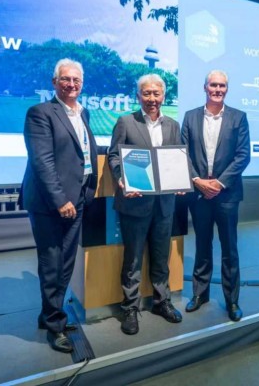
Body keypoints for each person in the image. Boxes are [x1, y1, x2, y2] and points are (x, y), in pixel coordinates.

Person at [19, 58, 98, 353]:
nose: (71, 84)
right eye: (65, 79)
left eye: (76, 79)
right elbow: (43, 162)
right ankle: (55, 326)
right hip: (51, 203)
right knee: (52, 263)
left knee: (65, 262)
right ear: (54, 82)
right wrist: (60, 200)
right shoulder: (40, 113)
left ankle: (50, 315)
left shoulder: (83, 113)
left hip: (77, 198)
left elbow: (81, 153)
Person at [107, 73, 183, 335]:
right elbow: (114, 156)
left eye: (156, 93)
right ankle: (130, 308)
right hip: (135, 203)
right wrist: (122, 179)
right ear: (138, 96)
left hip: (164, 204)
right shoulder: (126, 122)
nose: (152, 98)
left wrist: (181, 178)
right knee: (133, 259)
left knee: (161, 256)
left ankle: (162, 302)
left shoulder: (173, 125)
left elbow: (177, 157)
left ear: (163, 96)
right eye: (147, 93)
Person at [181, 70, 251, 322]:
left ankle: (232, 300)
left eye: (222, 86)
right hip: (199, 193)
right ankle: (200, 294)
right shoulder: (190, 117)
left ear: (226, 89)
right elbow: (182, 153)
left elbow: (243, 156)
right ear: (205, 87)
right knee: (202, 245)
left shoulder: (239, 117)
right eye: (213, 85)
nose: (217, 89)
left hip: (227, 194)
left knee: (229, 248)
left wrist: (219, 184)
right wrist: (198, 181)